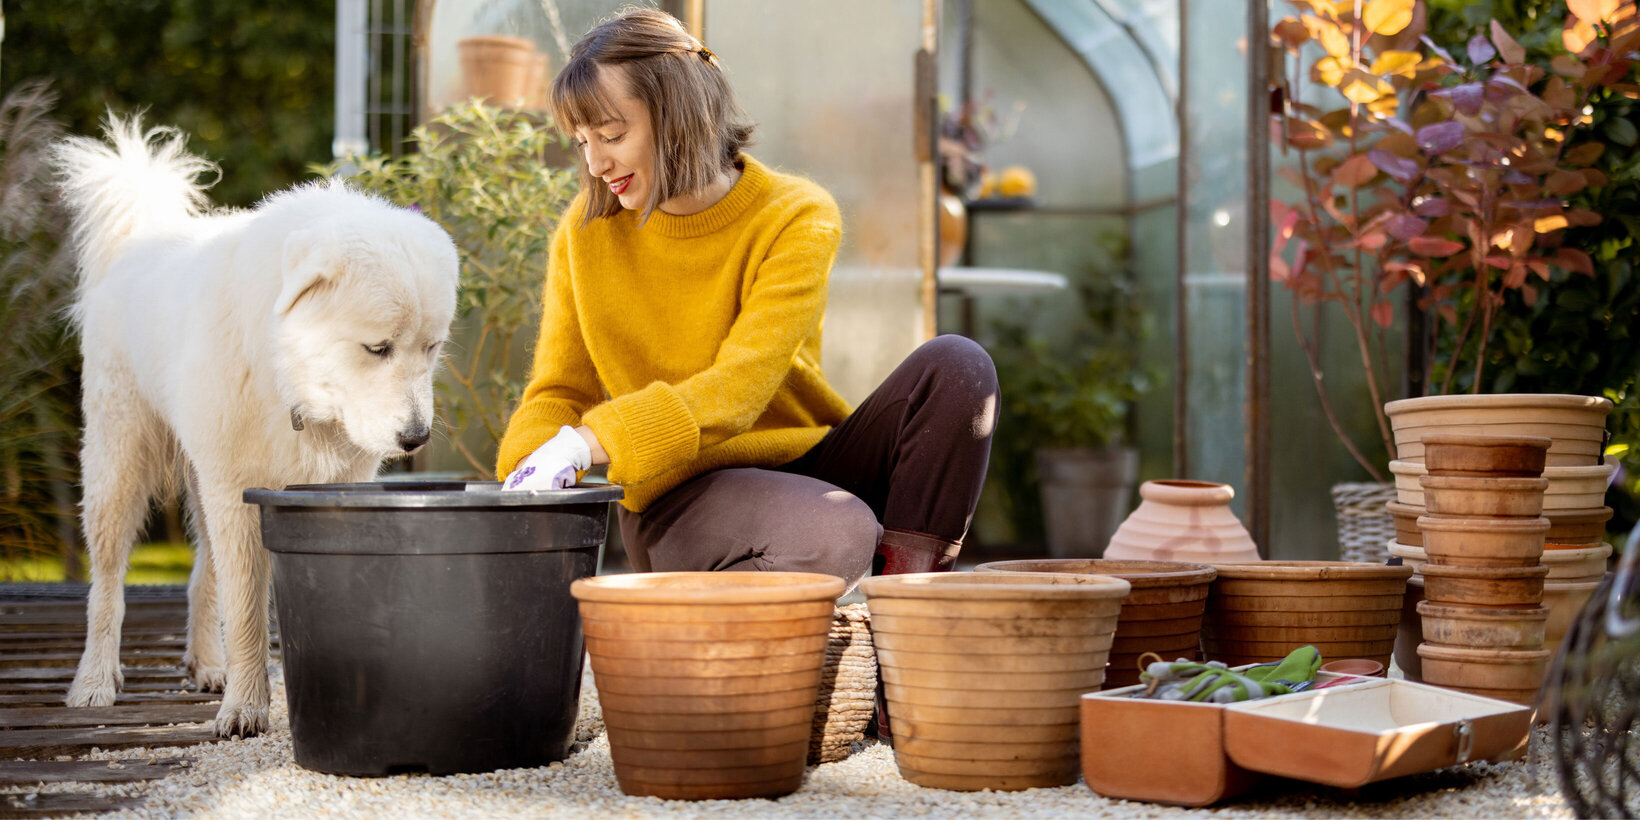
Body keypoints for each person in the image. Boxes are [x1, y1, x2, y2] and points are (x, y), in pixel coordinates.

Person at [497, 8, 997, 591]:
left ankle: (908, 608)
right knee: (835, 529)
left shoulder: (795, 216)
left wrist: (588, 442)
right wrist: (526, 469)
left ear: (677, 114)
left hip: (804, 462)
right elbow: (560, 390)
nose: (594, 163)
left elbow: (739, 386)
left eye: (611, 135)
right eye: (583, 141)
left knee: (959, 367)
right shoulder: (585, 236)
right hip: (679, 497)